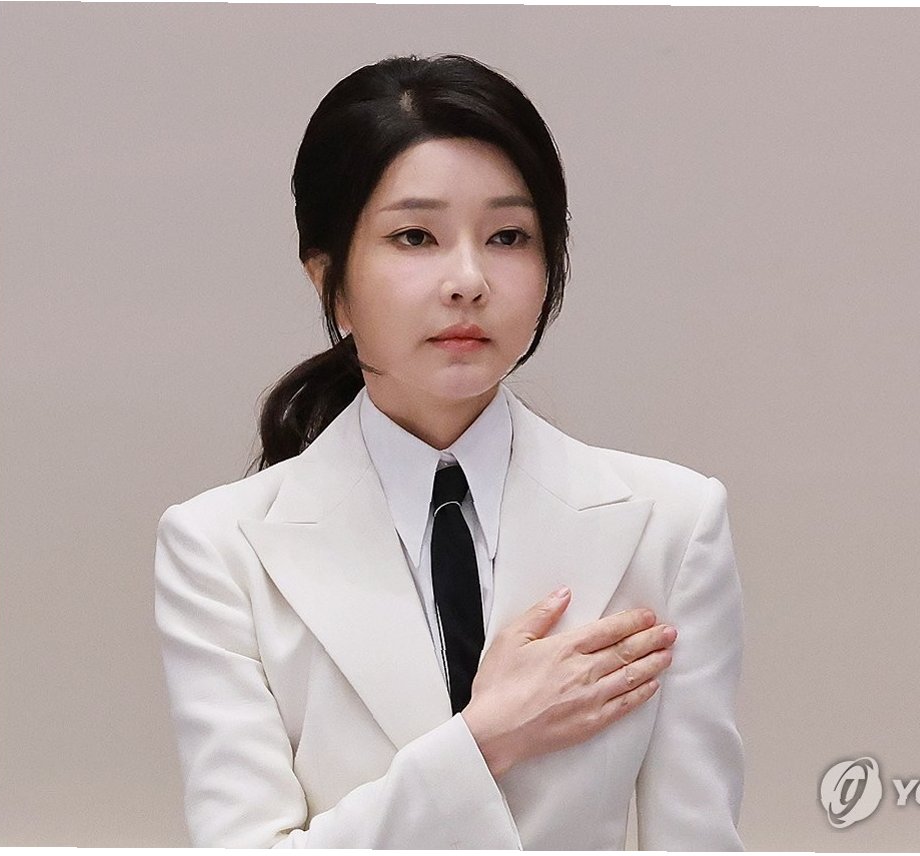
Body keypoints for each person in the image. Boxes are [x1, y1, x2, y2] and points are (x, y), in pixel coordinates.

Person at [153, 53, 745, 850]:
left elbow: (695, 840)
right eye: (414, 236)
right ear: (329, 280)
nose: (468, 279)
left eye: (508, 236)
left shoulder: (671, 523)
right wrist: (486, 739)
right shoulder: (219, 549)